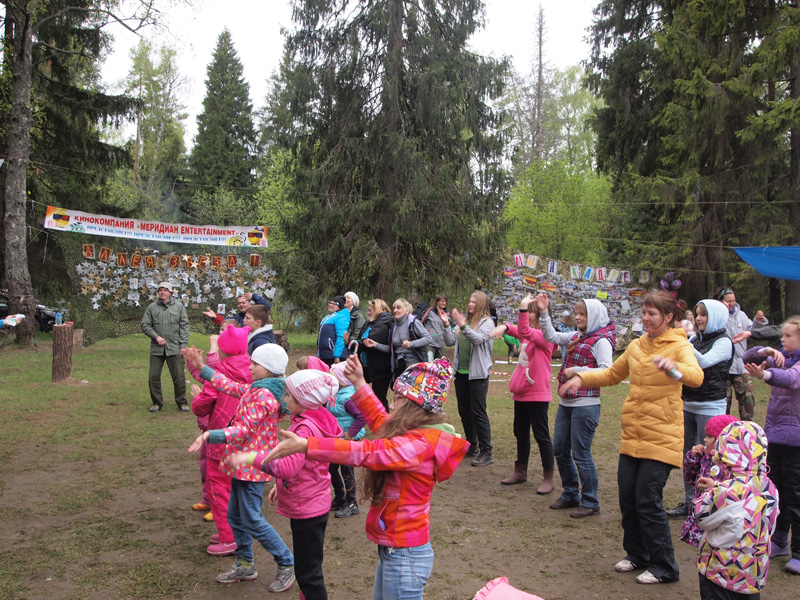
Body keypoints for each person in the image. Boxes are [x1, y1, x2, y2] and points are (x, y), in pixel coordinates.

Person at [264, 355, 469, 600]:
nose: (391, 406)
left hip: (404, 555)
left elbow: (367, 452)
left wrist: (307, 445)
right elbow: (381, 421)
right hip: (396, 552)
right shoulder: (411, 435)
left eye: (399, 400)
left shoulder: (419, 446)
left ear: (416, 408)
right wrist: (360, 383)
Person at [560, 290, 703, 584]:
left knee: (648, 500)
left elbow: (696, 376)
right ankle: (637, 554)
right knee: (628, 499)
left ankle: (665, 566)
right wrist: (580, 377)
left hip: (662, 436)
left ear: (668, 317)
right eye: (644, 313)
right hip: (633, 435)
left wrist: (674, 369)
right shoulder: (637, 346)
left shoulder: (679, 345)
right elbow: (611, 374)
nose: (646, 318)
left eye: (652, 314)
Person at [186, 344, 296, 592]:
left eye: (255, 364)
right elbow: (228, 385)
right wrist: (201, 368)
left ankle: (287, 562)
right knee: (235, 516)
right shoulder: (256, 389)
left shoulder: (265, 396)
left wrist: (209, 436)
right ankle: (245, 563)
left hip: (252, 467)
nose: (250, 367)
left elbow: (244, 429)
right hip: (242, 466)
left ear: (267, 369)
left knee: (252, 519)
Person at [228, 369, 343, 600]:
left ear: (304, 400)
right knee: (307, 569)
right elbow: (302, 468)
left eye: (288, 395)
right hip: (311, 501)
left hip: (308, 509)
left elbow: (287, 467)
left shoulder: (304, 428)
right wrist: (279, 486)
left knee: (308, 574)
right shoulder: (312, 420)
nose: (284, 399)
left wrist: (250, 457)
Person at [538, 295, 615, 518]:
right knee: (560, 450)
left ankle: (591, 500)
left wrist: (579, 370)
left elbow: (606, 371)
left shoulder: (601, 342)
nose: (578, 317)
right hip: (566, 403)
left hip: (586, 405)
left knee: (581, 453)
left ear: (594, 317)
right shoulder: (576, 336)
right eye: (577, 313)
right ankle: (571, 493)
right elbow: (551, 335)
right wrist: (544, 312)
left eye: (583, 314)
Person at [187, 324, 253, 555]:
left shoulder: (220, 372)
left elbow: (202, 404)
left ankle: (229, 538)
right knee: (236, 490)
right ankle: (234, 531)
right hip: (245, 437)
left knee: (218, 489)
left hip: (222, 438)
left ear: (223, 350)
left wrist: (197, 399)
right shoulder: (251, 368)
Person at [695, 421, 779, 598]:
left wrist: (712, 491)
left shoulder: (726, 492)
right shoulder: (770, 488)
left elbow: (701, 517)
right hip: (752, 575)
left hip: (720, 573)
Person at [667, 299, 733, 520]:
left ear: (715, 316)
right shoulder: (695, 339)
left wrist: (684, 342)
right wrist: (671, 371)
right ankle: (688, 502)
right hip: (688, 405)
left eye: (704, 314)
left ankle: (707, 503)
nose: (699, 319)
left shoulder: (724, 342)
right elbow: (686, 373)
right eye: (697, 314)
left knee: (710, 456)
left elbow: (703, 363)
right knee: (690, 457)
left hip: (711, 407)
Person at [743, 317, 800, 575]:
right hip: (776, 437)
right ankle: (778, 541)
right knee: (777, 492)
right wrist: (766, 351)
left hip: (796, 443)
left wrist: (764, 374)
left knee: (795, 496)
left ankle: (798, 550)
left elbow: (790, 379)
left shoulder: (794, 366)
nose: (783, 340)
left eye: (788, 336)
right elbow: (748, 357)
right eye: (782, 337)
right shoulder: (783, 356)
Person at [489, 293, 558, 493]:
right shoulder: (530, 334)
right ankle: (521, 471)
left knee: (541, 435)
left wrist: (521, 308)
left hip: (537, 393)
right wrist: (504, 327)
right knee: (520, 432)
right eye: (527, 311)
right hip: (521, 392)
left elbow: (524, 331)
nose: (527, 314)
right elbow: (518, 330)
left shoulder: (546, 335)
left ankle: (548, 478)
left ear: (539, 314)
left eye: (530, 311)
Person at [298, 357, 367, 518]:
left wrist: (350, 434)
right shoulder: (334, 394)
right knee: (332, 469)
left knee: (347, 471)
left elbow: (362, 417)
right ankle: (340, 498)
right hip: (335, 440)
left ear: (341, 382)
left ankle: (352, 503)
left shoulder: (347, 398)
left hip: (347, 441)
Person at [442, 290, 495, 467]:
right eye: (469, 301)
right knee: (464, 411)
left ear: (480, 304)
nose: (470, 304)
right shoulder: (465, 321)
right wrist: (445, 324)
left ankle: (486, 450)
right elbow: (450, 341)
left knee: (478, 412)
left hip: (478, 374)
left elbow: (477, 339)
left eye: (474, 302)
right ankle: (472, 446)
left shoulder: (487, 323)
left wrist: (462, 325)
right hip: (461, 373)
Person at [678, 414, 738, 547]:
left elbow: (735, 493)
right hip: (701, 518)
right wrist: (692, 458)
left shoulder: (733, 467)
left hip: (719, 522)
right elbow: (692, 479)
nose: (705, 440)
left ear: (723, 441)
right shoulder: (704, 457)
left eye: (710, 436)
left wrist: (715, 486)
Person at [716, 287, 767, 420]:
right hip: (723, 366)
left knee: (748, 397)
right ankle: (722, 430)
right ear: (721, 301)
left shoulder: (741, 315)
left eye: (733, 300)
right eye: (728, 301)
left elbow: (753, 330)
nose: (731, 303)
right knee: (723, 401)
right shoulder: (717, 315)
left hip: (741, 365)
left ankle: (748, 428)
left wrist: (758, 321)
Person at [140, 282, 190, 413]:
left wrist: (183, 345)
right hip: (157, 349)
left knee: (179, 376)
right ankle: (157, 403)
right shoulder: (152, 307)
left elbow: (184, 327)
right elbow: (145, 325)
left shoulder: (178, 307)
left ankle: (182, 402)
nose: (162, 292)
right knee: (153, 376)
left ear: (170, 293)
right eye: (160, 290)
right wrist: (156, 337)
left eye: (165, 290)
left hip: (175, 347)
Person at [359, 299, 395, 408]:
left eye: (370, 310)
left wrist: (358, 342)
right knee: (359, 390)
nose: (368, 313)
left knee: (379, 397)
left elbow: (370, 339)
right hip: (368, 364)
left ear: (377, 310)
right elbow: (360, 338)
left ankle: (384, 421)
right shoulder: (370, 322)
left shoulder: (385, 323)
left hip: (381, 366)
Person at [387, 298, 432, 381]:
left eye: (398, 308)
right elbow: (391, 348)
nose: (395, 310)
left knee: (411, 393)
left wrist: (411, 344)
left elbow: (428, 338)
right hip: (399, 365)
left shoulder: (413, 322)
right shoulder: (394, 326)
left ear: (407, 311)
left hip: (414, 366)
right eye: (394, 308)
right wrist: (375, 344)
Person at [203, 291, 272, 328]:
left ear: (250, 304)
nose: (241, 305)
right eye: (239, 303)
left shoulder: (256, 313)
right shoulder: (237, 318)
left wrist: (254, 296)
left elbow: (266, 307)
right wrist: (215, 316)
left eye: (243, 302)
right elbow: (226, 322)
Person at [317, 295, 350, 366]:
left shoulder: (341, 318)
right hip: (324, 355)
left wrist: (337, 356)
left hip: (333, 356)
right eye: (330, 303)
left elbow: (341, 337)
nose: (330, 305)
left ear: (340, 306)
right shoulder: (327, 317)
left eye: (334, 304)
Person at [423, 294, 449, 361]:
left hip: (440, 342)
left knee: (442, 363)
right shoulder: (429, 312)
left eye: (445, 301)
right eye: (442, 301)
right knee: (429, 363)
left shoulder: (446, 313)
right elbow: (421, 322)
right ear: (437, 302)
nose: (444, 303)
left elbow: (448, 326)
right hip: (430, 342)